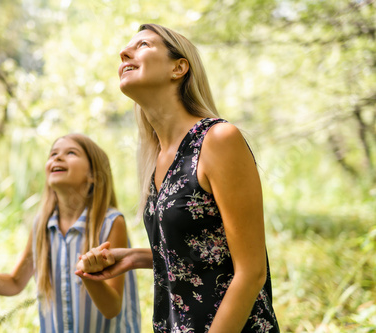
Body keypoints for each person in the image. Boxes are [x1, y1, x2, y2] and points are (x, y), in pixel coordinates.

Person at [75, 24, 280, 332]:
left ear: (179, 67)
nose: (124, 52)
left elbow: (251, 272)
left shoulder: (218, 139)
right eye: (126, 48)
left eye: (143, 44)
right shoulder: (155, 158)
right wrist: (134, 256)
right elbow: (200, 251)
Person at [0, 133, 141, 333]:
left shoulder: (111, 222)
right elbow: (15, 282)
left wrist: (88, 276)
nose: (57, 158)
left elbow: (112, 308)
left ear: (93, 175)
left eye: (71, 152)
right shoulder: (42, 225)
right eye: (53, 154)